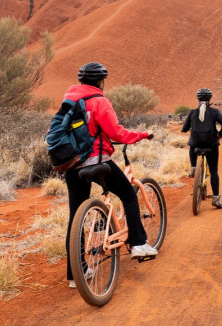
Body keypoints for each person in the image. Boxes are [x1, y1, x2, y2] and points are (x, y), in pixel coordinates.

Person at [63, 62, 159, 288]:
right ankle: (138, 244)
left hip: (71, 165)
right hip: (97, 161)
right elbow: (117, 133)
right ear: (100, 81)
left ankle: (75, 274)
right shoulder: (99, 101)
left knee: (75, 217)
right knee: (128, 194)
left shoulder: (68, 100)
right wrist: (142, 134)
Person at [181, 88, 222, 209]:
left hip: (196, 145)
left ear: (198, 99)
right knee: (213, 171)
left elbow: (185, 127)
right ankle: (216, 199)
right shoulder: (214, 112)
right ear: (209, 99)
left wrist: (185, 130)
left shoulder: (192, 112)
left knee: (191, 143)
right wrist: (220, 135)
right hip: (211, 145)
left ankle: (193, 168)